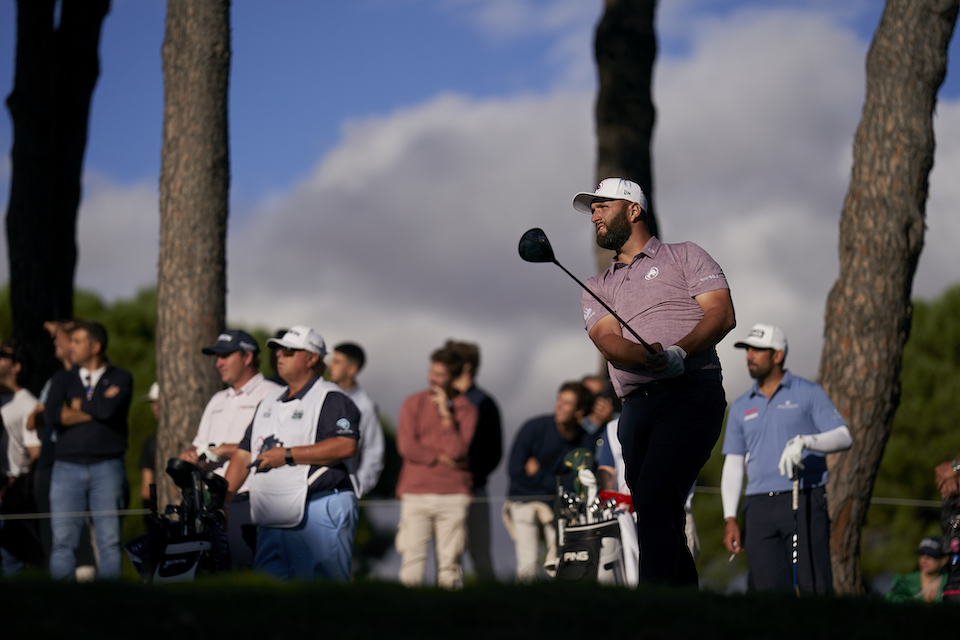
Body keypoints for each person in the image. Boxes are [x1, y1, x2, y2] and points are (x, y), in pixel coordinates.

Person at [573, 177, 736, 587]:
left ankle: (654, 600)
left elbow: (721, 313)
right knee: (652, 507)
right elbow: (609, 341)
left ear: (633, 210)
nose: (594, 215)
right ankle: (680, 604)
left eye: (602, 206)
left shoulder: (685, 256)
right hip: (636, 407)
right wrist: (649, 359)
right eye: (591, 209)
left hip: (691, 392)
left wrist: (680, 351)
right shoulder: (597, 286)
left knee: (655, 496)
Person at [721, 323, 852, 594]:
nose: (749, 356)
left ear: (777, 355)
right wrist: (730, 518)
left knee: (813, 587)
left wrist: (808, 441)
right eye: (747, 350)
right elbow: (734, 464)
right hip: (757, 507)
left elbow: (843, 436)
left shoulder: (808, 392)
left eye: (757, 350)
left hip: (804, 498)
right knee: (768, 593)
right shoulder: (741, 405)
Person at [223, 326, 361, 581]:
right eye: (278, 350)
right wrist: (223, 500)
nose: (280, 356)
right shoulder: (269, 401)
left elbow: (345, 445)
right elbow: (244, 453)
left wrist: (287, 455)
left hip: (318, 507)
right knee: (272, 601)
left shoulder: (331, 398)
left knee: (321, 599)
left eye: (289, 350)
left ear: (312, 358)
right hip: (272, 514)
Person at [179, 330, 282, 569]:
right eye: (217, 357)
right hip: (214, 503)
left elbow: (275, 447)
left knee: (249, 575)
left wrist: (227, 449)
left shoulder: (272, 394)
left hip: (252, 501)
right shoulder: (217, 400)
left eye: (225, 355)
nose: (218, 363)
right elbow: (200, 446)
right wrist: (191, 456)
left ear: (247, 357)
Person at [43, 320, 133, 580]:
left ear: (95, 346)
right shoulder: (62, 378)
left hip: (108, 467)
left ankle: (108, 604)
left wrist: (76, 406)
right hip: (65, 469)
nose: (70, 346)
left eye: (77, 341)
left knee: (109, 541)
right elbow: (51, 415)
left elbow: (109, 410)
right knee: (62, 542)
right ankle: (60, 603)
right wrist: (96, 406)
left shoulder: (121, 377)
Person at [395, 346, 478, 590]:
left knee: (450, 566)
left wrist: (446, 415)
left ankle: (449, 620)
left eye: (440, 375)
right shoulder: (413, 402)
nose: (434, 379)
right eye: (432, 372)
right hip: (415, 493)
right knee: (412, 561)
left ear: (453, 377)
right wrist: (441, 458)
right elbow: (406, 446)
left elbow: (458, 451)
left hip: (453, 495)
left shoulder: (467, 409)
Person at [505, 381, 595, 582]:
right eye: (559, 400)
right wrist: (557, 481)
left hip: (559, 508)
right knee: (527, 562)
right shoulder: (533, 428)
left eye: (567, 403)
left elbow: (578, 482)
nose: (560, 406)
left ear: (580, 411)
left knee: (557, 562)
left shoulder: (585, 440)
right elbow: (515, 471)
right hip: (523, 501)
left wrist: (538, 476)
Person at [445, 339, 502, 582]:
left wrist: (469, 474)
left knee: (480, 555)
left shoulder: (484, 403)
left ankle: (490, 609)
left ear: (466, 366)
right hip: (441, 490)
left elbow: (493, 451)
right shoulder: (440, 400)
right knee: (447, 558)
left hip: (473, 489)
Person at [0, 339, 43, 574]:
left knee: (12, 558)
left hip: (12, 489)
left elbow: (34, 452)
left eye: (2, 355)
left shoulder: (27, 403)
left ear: (16, 366)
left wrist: (21, 488)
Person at [326, 342, 385, 498]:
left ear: (352, 369)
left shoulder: (365, 406)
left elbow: (373, 452)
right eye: (332, 360)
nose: (330, 365)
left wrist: (355, 488)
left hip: (341, 493)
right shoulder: (321, 395)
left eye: (337, 362)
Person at [884, 537, 948, 603]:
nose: (924, 560)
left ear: (944, 560)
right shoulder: (907, 581)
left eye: (931, 555)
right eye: (922, 554)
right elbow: (890, 596)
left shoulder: (950, 580)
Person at [138, 382, 159, 513]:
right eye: (153, 402)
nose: (155, 407)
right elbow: (146, 490)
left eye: (159, 401)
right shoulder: (150, 443)